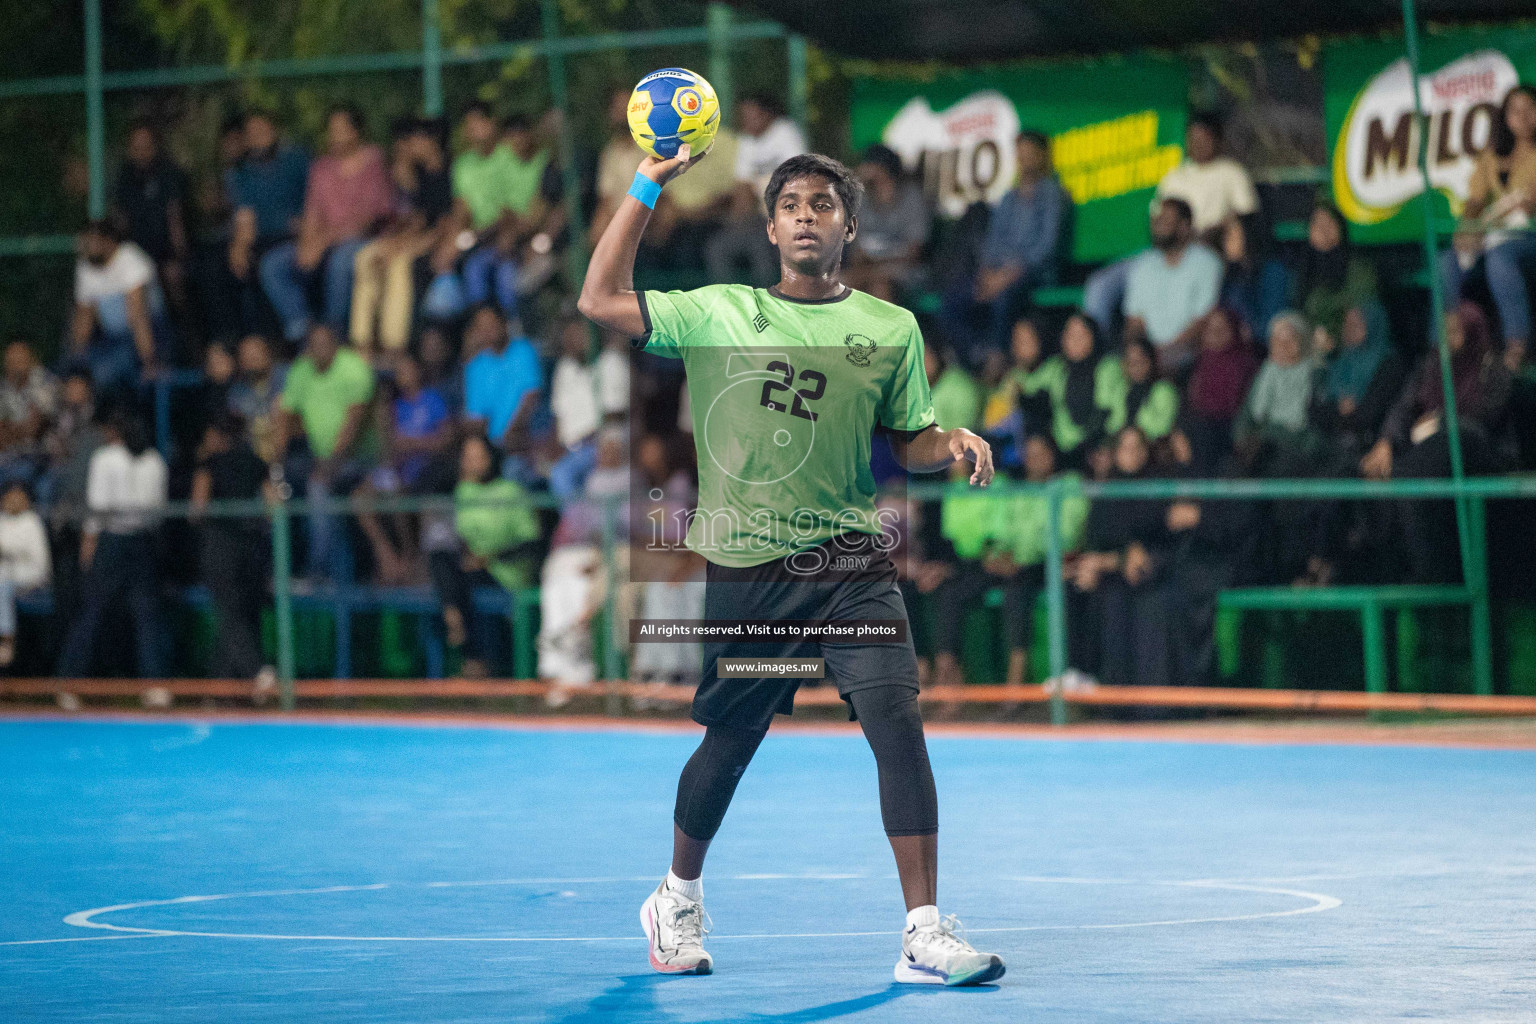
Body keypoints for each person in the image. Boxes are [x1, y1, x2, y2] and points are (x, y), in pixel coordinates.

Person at [579, 142, 1004, 983]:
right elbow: (598, 298)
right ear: (770, 227)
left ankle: (922, 933)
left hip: (851, 564)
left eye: (823, 204)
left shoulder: (889, 328)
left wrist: (946, 439)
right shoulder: (719, 311)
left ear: (849, 223)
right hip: (751, 570)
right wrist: (646, 183)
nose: (807, 216)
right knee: (733, 739)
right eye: (792, 205)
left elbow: (907, 441)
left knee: (897, 723)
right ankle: (675, 898)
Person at [1361, 302, 1513, 582]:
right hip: (1427, 450)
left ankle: (1430, 574)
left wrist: (1441, 422)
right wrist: (1386, 441)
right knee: (1372, 471)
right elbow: (1404, 407)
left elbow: (1486, 418)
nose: (1447, 338)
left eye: (1455, 331)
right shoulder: (1432, 366)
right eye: (1444, 330)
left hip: (1475, 452)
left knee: (1416, 471)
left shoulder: (1493, 369)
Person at [933, 434, 1085, 687]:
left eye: (1041, 454)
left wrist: (1020, 553)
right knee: (948, 591)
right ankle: (947, 683)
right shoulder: (1018, 489)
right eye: (1030, 454)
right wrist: (997, 553)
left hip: (1042, 563)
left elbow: (1065, 536)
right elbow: (1001, 532)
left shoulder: (1066, 485)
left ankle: (1014, 685)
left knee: (1018, 589)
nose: (1034, 460)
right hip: (1004, 562)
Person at [261, 105, 394, 343]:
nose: (335, 136)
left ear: (356, 131)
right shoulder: (321, 168)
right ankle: (304, 330)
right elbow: (312, 212)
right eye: (332, 130)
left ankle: (334, 335)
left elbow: (366, 220)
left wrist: (323, 242)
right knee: (274, 264)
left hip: (361, 240)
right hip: (323, 241)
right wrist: (306, 245)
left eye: (341, 130)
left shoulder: (373, 161)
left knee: (341, 263)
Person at [57, 409, 169, 679]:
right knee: (147, 618)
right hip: (143, 541)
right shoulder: (155, 460)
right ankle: (155, 686)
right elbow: (158, 513)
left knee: (92, 613)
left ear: (114, 431)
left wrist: (88, 546)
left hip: (112, 542)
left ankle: (69, 683)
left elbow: (97, 509)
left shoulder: (105, 459)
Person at [942, 131, 1070, 364]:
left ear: (1042, 156)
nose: (1025, 160)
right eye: (1021, 154)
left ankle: (998, 359)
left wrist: (1009, 274)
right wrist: (987, 272)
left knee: (1004, 297)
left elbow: (1046, 248)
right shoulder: (1009, 197)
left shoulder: (1053, 195)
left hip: (1035, 274)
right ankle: (971, 357)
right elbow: (992, 242)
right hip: (999, 273)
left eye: (1030, 154)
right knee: (955, 296)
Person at [1068, 426, 1174, 687]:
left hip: (1147, 574)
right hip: (1109, 571)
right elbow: (1095, 543)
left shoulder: (1156, 489)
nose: (1132, 454)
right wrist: (1092, 566)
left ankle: (1117, 688)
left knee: (1113, 596)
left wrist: (1109, 562)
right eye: (1125, 448)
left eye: (1138, 447)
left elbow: (1155, 546)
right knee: (1075, 586)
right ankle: (1079, 671)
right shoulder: (1106, 493)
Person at [270, 325, 377, 582]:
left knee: (318, 487)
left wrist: (330, 464)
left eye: (324, 343)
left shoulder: (354, 368)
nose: (319, 349)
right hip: (317, 457)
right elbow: (285, 417)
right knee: (277, 487)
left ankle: (319, 570)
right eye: (313, 344)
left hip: (358, 459)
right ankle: (283, 568)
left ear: (336, 345)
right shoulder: (301, 370)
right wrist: (275, 468)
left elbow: (354, 427)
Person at [1441, 84, 1536, 370]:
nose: (1522, 115)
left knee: (1500, 260)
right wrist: (1467, 227)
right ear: (1505, 116)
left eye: (1529, 108)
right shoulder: (1494, 152)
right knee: (1447, 262)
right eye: (1515, 109)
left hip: (1528, 233)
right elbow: (1476, 199)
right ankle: (1449, 339)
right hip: (1497, 230)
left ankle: (1517, 342)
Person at [430, 433, 541, 678]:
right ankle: (453, 615)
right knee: (440, 558)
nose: (474, 462)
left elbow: (531, 543)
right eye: (468, 457)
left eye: (479, 456)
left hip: (505, 572)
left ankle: (475, 660)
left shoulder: (511, 492)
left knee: (465, 581)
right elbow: (455, 535)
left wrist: (491, 556)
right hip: (470, 570)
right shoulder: (462, 491)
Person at [350, 118, 454, 357]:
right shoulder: (421, 174)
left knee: (398, 265)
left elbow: (441, 228)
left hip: (433, 244)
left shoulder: (448, 172)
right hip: (414, 240)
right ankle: (362, 341)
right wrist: (394, 244)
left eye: (415, 139)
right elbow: (416, 220)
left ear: (431, 142)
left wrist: (399, 248)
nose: (409, 144)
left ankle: (393, 343)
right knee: (365, 257)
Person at [191, 413, 273, 692]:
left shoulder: (209, 464)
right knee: (247, 613)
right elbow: (272, 506)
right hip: (252, 547)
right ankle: (222, 686)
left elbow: (198, 508)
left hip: (220, 546)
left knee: (230, 614)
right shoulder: (256, 463)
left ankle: (257, 672)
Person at [357, 349, 453, 582]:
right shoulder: (394, 407)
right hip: (400, 468)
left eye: (407, 369)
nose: (404, 375)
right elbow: (389, 447)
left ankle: (411, 556)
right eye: (399, 371)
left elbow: (446, 440)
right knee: (360, 497)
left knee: (399, 495)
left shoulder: (433, 399)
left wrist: (414, 444)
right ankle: (386, 555)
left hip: (428, 469)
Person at [705, 94, 807, 285]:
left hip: (789, 217)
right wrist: (737, 220)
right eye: (743, 115)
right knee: (718, 247)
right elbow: (742, 186)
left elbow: (797, 184)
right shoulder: (746, 139)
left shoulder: (785, 132)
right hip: (759, 219)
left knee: (761, 246)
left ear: (768, 115)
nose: (746, 120)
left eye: (752, 114)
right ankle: (728, 306)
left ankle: (769, 307)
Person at [225, 110, 310, 334]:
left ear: (274, 130)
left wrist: (308, 232)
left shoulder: (297, 160)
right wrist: (239, 247)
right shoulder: (241, 173)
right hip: (263, 241)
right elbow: (244, 217)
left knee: (272, 267)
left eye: (262, 129)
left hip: (299, 239)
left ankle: (302, 332)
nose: (258, 136)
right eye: (251, 132)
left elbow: (315, 205)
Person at [1121, 197, 1223, 372]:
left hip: (1188, 353)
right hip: (1147, 356)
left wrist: (1165, 353)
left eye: (1166, 221)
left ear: (1184, 226)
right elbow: (1134, 321)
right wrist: (1139, 352)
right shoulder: (1142, 264)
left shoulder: (1207, 262)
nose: (1158, 226)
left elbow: (1203, 321)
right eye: (1156, 221)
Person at [70, 219, 170, 393]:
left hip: (151, 336)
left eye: (90, 242)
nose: (85, 247)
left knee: (105, 373)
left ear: (108, 242)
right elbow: (84, 317)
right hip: (112, 340)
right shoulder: (86, 264)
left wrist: (149, 361)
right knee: (74, 372)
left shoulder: (131, 258)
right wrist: (75, 362)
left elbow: (138, 316)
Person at [1019, 312, 1119, 471]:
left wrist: (1086, 445)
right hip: (1062, 451)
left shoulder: (1108, 367)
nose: (1074, 340)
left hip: (1096, 447)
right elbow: (1025, 388)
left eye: (1081, 335)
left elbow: (1105, 413)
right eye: (1070, 334)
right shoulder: (1056, 367)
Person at [112, 119, 189, 308]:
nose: (141, 151)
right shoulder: (124, 178)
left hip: (166, 253)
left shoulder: (169, 173)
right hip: (135, 253)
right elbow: (120, 220)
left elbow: (175, 218)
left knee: (175, 282)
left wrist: (177, 257)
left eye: (146, 145)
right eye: (136, 146)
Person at [548, 320, 629, 500]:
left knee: (561, 475)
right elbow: (558, 415)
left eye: (578, 335)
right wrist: (555, 448)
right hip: (570, 449)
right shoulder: (564, 367)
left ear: (594, 336)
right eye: (568, 337)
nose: (572, 341)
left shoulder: (611, 361)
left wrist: (582, 440)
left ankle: (576, 524)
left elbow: (615, 413)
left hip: (600, 445)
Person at [1154, 112, 1259, 248]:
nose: (1199, 145)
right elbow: (1158, 214)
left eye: (1204, 139)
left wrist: (1216, 231)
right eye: (1194, 139)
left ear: (1217, 139)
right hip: (1179, 247)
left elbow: (1245, 214)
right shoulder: (1175, 176)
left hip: (1216, 246)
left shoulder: (1232, 172)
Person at [461, 304, 542, 476]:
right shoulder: (475, 367)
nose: (487, 330)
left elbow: (531, 397)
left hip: (525, 441)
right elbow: (476, 417)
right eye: (481, 326)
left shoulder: (524, 351)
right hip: (492, 449)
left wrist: (511, 433)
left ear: (504, 323)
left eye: (491, 324)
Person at [1234, 311, 1319, 473]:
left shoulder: (1315, 373)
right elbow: (1248, 416)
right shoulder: (1264, 373)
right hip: (1263, 443)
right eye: (1277, 340)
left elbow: (1316, 419)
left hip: (1298, 444)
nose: (1283, 346)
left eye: (1290, 340)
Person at [845, 144, 930, 303]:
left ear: (883, 168)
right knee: (839, 284)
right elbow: (858, 251)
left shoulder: (911, 197)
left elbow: (914, 253)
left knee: (879, 285)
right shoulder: (863, 199)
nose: (863, 170)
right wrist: (862, 270)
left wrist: (873, 269)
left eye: (869, 165)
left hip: (905, 270)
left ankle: (886, 328)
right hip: (869, 267)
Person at [1183, 307, 1260, 476]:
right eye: (1210, 330)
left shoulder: (1248, 364)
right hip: (1203, 432)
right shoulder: (1198, 365)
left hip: (1234, 430)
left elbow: (1251, 409)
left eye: (1222, 329)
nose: (1216, 334)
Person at [1295, 203, 1378, 352]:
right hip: (1313, 349)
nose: (1323, 229)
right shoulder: (1304, 270)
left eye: (1329, 222)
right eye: (1317, 223)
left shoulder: (1358, 266)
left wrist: (1333, 337)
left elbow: (1361, 306)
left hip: (1353, 346)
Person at [0, 482, 50, 668]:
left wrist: (7, 550)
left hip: (30, 578)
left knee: (3, 588)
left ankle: (6, 640)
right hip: (5, 577)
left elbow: (40, 562)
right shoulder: (2, 520)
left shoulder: (31, 522)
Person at [0, 342, 60, 488]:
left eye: (20, 361)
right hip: (8, 456)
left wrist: (11, 428)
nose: (16, 367)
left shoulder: (45, 382)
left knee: (19, 476)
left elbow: (33, 430)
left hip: (42, 455)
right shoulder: (3, 387)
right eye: (12, 362)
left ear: (31, 361)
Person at [1105, 334, 1179, 444]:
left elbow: (1163, 428)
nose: (1135, 367)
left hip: (1152, 448)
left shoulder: (1164, 390)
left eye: (1140, 360)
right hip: (1124, 447)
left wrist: (1136, 433)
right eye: (1130, 362)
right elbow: (1112, 424)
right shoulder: (1123, 389)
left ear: (1151, 360)